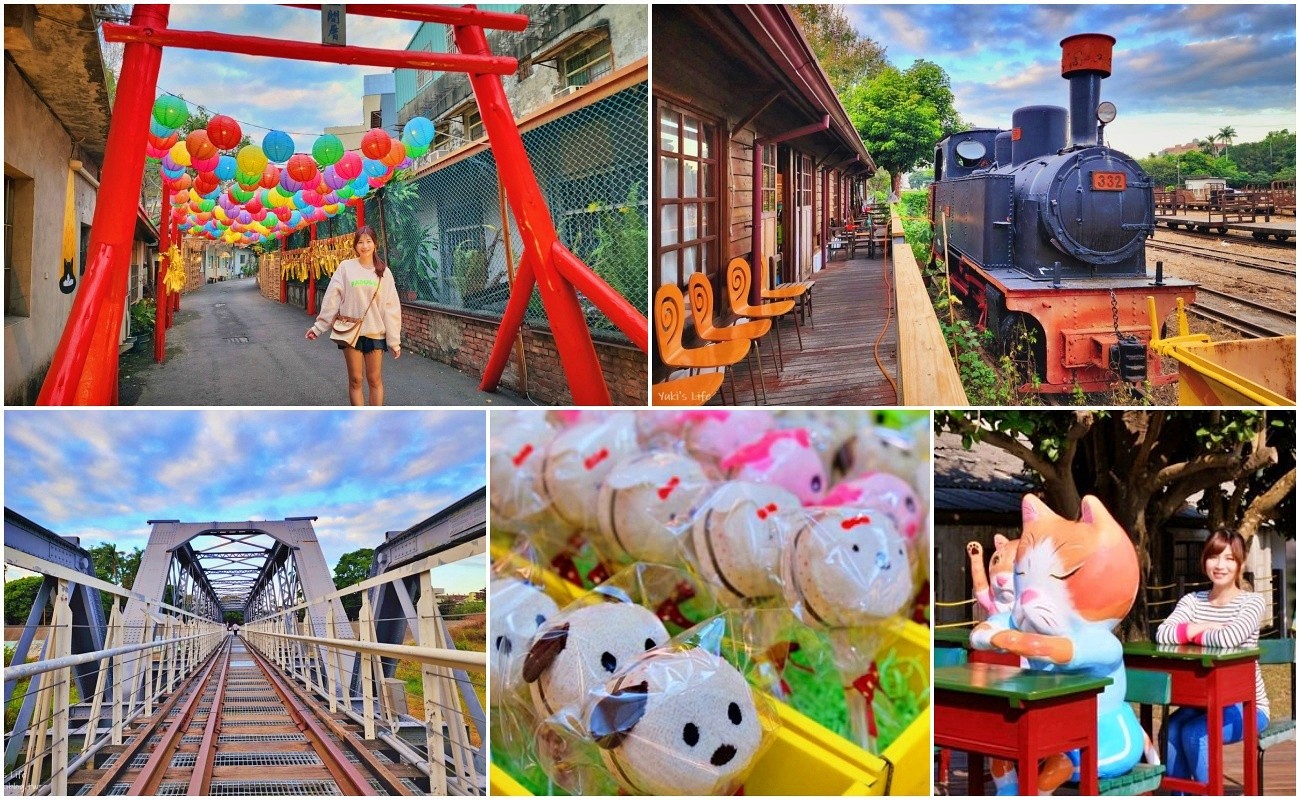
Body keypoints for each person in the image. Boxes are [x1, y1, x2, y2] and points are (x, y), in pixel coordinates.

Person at [1155, 530, 1270, 787]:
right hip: (1202, 702)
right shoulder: (1192, 601)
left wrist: (1190, 631)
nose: (1220, 565)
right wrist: (1204, 627)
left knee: (1196, 734)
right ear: (1204, 560)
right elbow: (1164, 633)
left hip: (1247, 706)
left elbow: (1231, 638)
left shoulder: (1251, 602)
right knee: (1172, 729)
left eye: (1229, 558)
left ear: (1240, 564)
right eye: (1214, 557)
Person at [306, 226, 402, 405]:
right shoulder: (346, 268)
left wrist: (394, 341)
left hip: (375, 333)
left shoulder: (384, 272)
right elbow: (332, 298)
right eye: (360, 242)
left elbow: (392, 308)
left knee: (375, 379)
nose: (364, 246)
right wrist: (318, 327)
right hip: (350, 332)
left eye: (368, 241)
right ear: (355, 246)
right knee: (356, 380)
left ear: (375, 244)